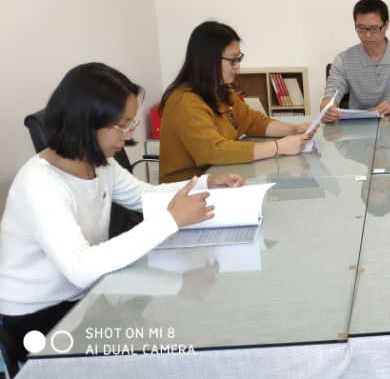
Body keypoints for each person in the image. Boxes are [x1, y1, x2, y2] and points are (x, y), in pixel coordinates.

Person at [0, 63, 244, 367]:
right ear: (85, 121)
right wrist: (170, 221)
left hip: (86, 297)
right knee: (156, 355)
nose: (128, 137)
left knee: (177, 339)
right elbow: (79, 267)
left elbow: (145, 196)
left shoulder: (97, 161)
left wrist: (206, 183)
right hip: (37, 315)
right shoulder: (41, 183)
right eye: (122, 125)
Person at [158, 21, 311, 183]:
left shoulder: (221, 90)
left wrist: (294, 129)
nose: (237, 66)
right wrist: (278, 147)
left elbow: (253, 122)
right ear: (208, 60)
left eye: (238, 59)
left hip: (219, 179)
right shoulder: (184, 101)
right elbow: (213, 151)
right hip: (187, 190)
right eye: (232, 60)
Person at [320, 0, 390, 123]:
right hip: (359, 127)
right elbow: (330, 97)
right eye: (361, 28)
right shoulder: (343, 60)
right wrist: (327, 109)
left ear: (386, 25)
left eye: (374, 28)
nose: (367, 35)